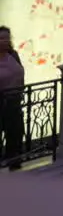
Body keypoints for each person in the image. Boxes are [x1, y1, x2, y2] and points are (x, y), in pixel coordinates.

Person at [0, 26, 24, 170]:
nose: (4, 41)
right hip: (0, 101)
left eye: (7, 38)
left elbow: (20, 72)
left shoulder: (13, 55)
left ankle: (14, 161)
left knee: (15, 133)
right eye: (1, 38)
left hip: (14, 101)